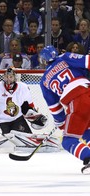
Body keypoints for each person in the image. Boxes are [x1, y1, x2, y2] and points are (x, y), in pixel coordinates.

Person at [39, 45, 90, 174]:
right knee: (86, 130)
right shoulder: (66, 57)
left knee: (68, 140)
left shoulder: (44, 80)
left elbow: (55, 107)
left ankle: (87, 156)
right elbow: (88, 61)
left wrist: (60, 122)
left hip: (78, 102)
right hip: (87, 90)